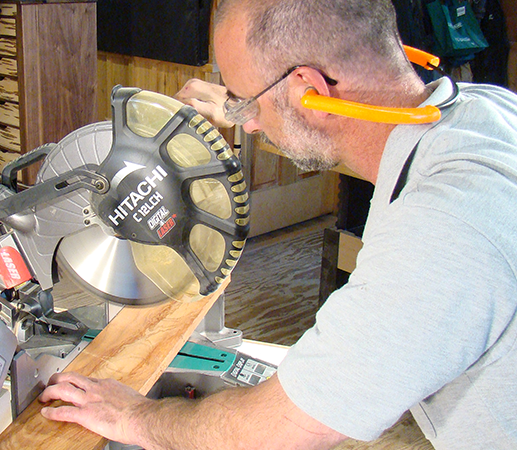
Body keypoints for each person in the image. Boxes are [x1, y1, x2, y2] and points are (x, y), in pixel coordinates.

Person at [38, 0, 517, 448]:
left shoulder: (438, 236)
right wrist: (250, 104)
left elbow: (273, 429)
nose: (245, 125)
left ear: (310, 90)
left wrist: (133, 417)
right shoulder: (484, 112)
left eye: (246, 105)